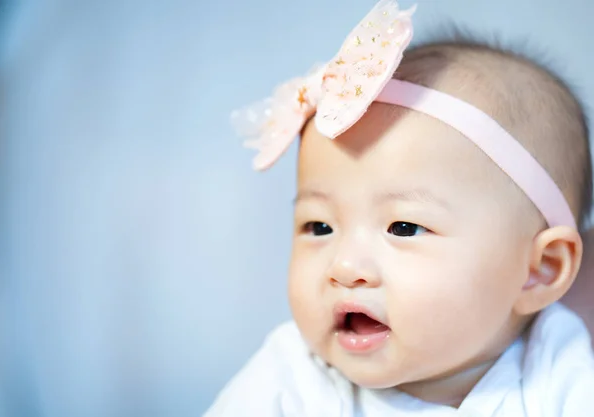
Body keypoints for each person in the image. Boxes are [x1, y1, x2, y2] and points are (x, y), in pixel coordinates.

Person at [205, 1, 594, 415]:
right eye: (319, 226)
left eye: (404, 227)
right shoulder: (290, 380)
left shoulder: (559, 371)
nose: (345, 267)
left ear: (540, 269)